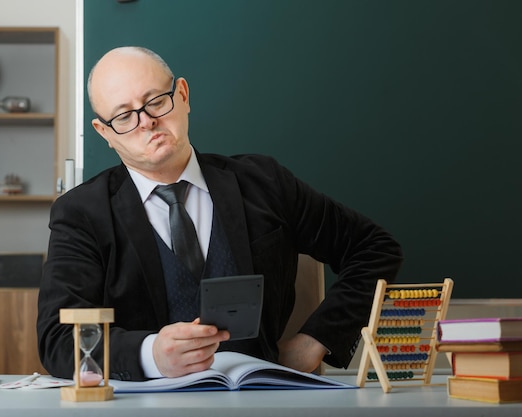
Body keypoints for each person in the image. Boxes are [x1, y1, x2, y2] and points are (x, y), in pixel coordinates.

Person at [37, 46, 403, 381]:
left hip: (263, 400)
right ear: (104, 132)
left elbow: (374, 248)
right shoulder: (81, 213)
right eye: (124, 117)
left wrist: (316, 340)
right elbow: (56, 339)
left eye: (156, 102)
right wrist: (151, 354)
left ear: (182, 95)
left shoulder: (265, 183)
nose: (146, 122)